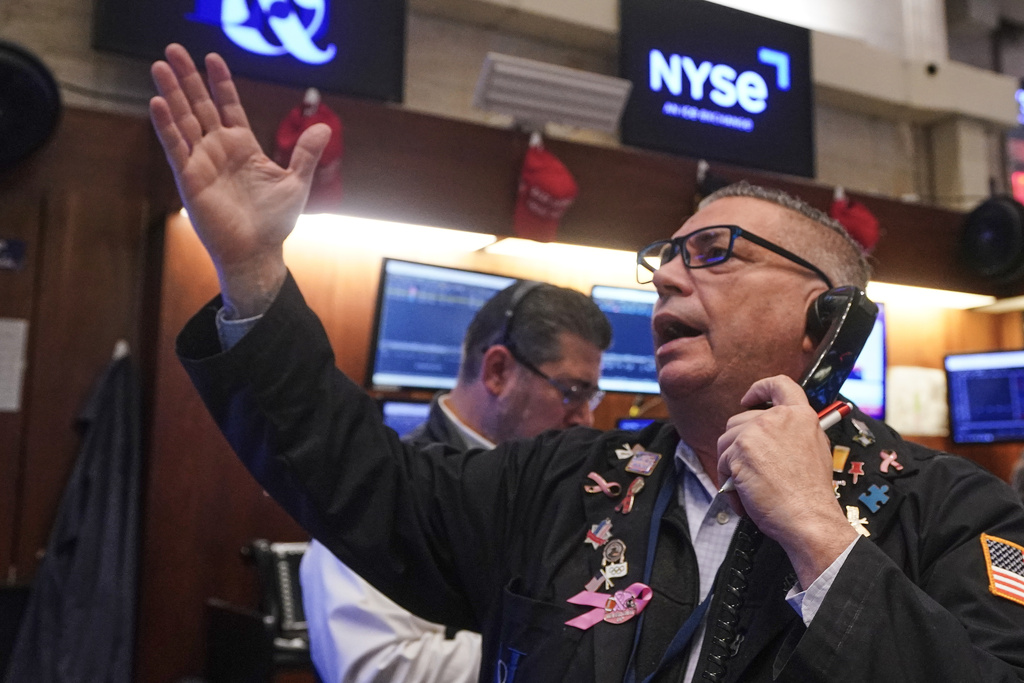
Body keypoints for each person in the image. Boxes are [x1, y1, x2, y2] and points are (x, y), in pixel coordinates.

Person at [150, 44, 1024, 682]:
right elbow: (356, 477)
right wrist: (255, 273)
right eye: (666, 257)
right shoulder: (561, 481)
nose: (670, 275)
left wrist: (821, 539)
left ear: (824, 318)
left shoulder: (948, 510)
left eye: (716, 250)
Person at [300, 279, 611, 683]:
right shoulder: (385, 486)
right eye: (572, 391)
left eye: (592, 396)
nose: (585, 418)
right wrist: (569, 644)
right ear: (498, 372)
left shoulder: (564, 488)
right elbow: (380, 668)